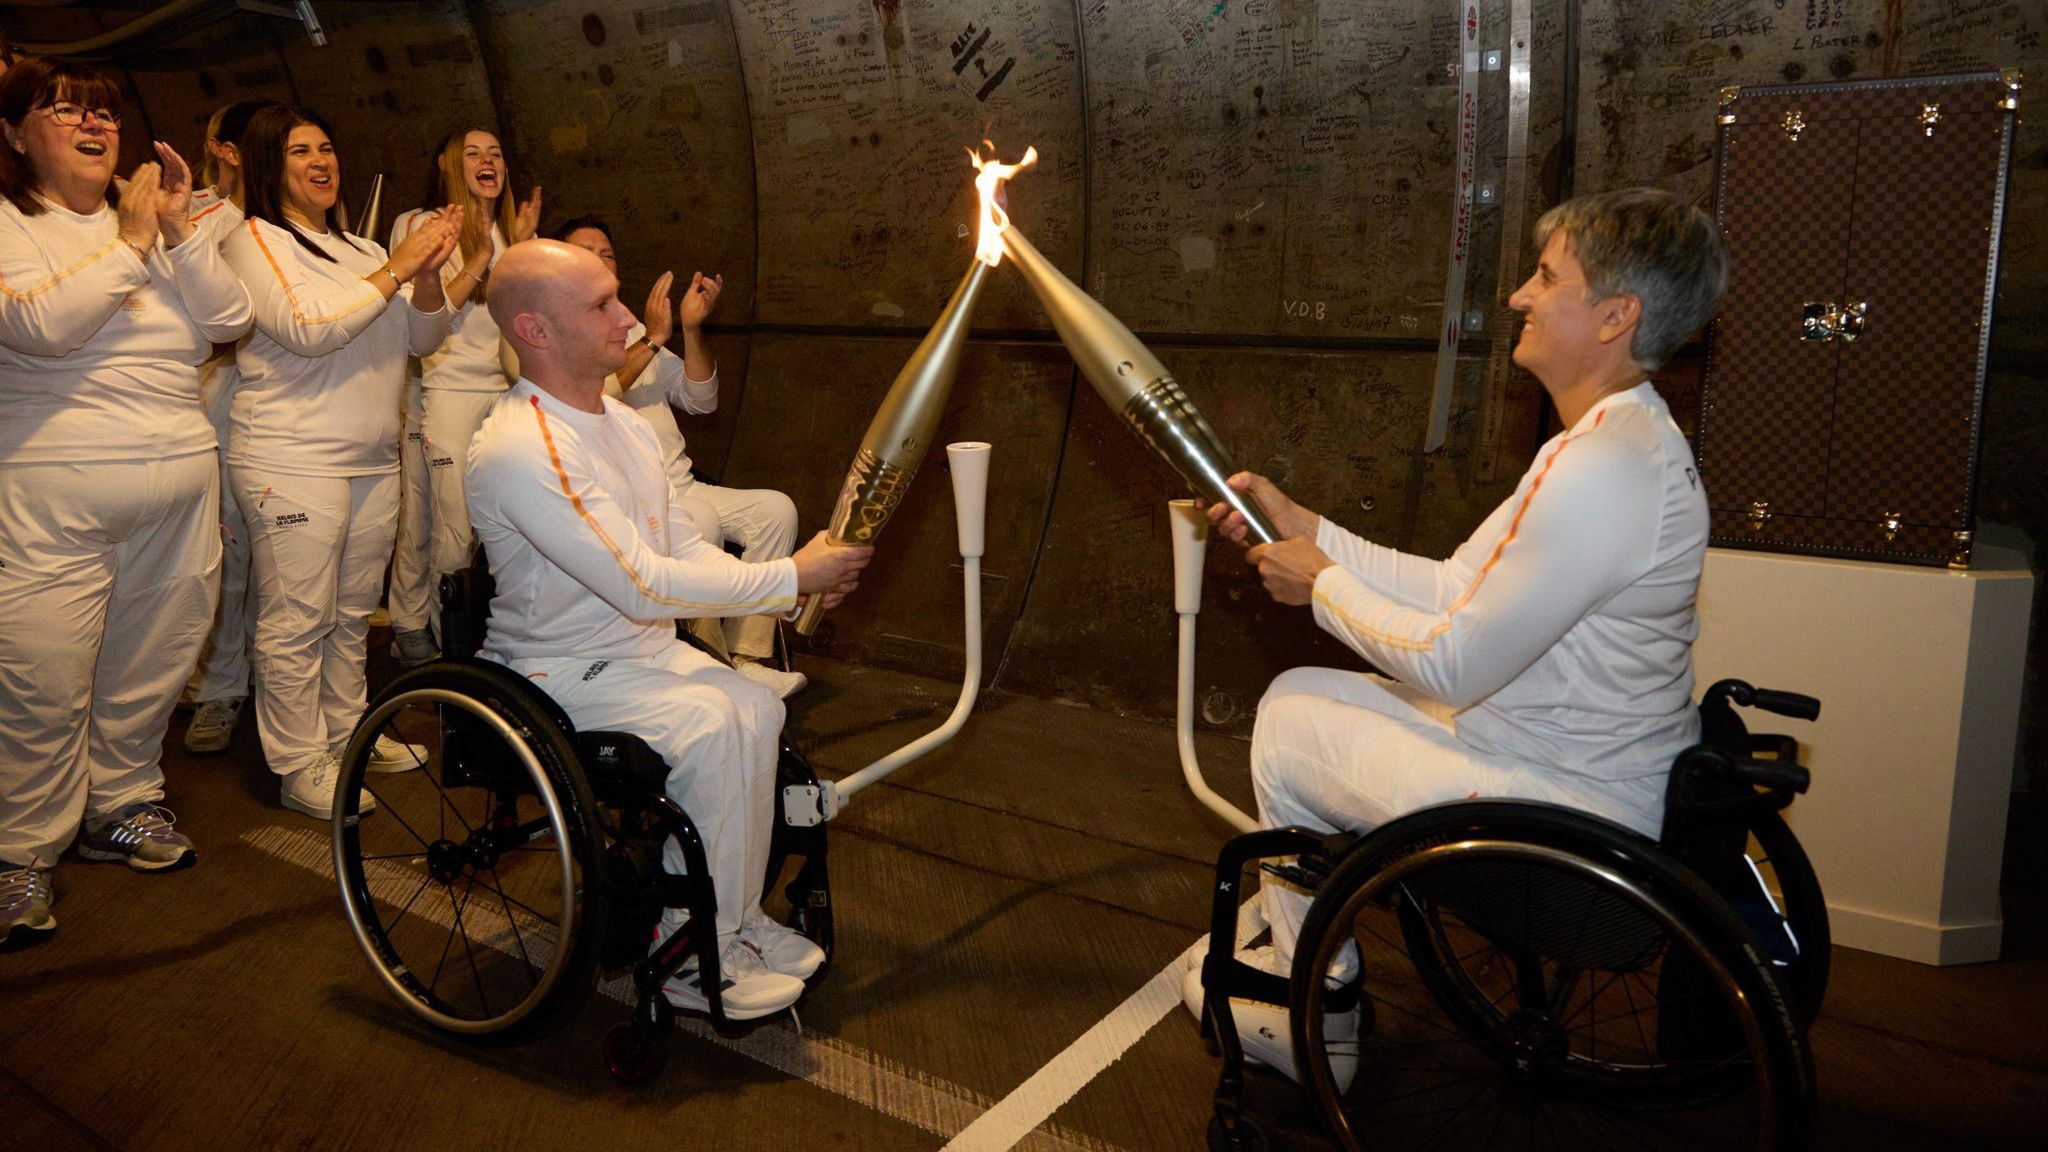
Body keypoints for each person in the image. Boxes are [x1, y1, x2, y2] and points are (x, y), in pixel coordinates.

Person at [1187, 187, 1729, 1086]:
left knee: (1288, 717)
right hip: (1563, 771)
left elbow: (1454, 657)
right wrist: (1310, 527)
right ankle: (1311, 969)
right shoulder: (1603, 443)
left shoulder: (1604, 469)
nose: (1518, 294)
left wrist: (1317, 586)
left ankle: (1321, 1010)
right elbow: (1453, 589)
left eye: (1547, 277)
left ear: (1614, 316)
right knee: (1308, 698)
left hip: (1566, 821)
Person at [468, 239, 871, 1019]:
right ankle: (686, 949)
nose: (627, 317)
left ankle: (738, 921)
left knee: (757, 707)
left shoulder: (622, 422)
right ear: (536, 330)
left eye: (617, 297)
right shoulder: (521, 446)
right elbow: (645, 581)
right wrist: (794, 576)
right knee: (715, 723)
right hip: (553, 672)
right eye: (601, 305)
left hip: (636, 654)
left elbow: (680, 545)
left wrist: (787, 591)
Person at [0, 59, 253, 948]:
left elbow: (229, 320)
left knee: (154, 658)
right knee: (42, 674)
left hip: (179, 479)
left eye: (101, 110)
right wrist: (136, 243)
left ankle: (122, 803)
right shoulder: (12, 223)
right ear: (14, 134)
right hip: (49, 485)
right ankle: (19, 848)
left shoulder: (147, 224)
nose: (89, 123)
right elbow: (37, 324)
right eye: (61, 109)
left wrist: (181, 232)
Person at [219, 105, 460, 820]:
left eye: (327, 148)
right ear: (269, 166)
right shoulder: (254, 239)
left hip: (369, 461)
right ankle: (298, 766)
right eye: (300, 152)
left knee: (351, 614)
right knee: (295, 619)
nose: (322, 162)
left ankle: (345, 735)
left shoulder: (359, 250)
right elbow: (307, 328)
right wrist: (400, 267)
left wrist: (423, 277)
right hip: (290, 457)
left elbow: (424, 338)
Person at [553, 217, 807, 698]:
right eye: (586, 251)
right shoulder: (567, 331)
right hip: (636, 500)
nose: (600, 260)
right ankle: (709, 668)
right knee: (700, 524)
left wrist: (689, 330)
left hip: (684, 485)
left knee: (776, 510)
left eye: (607, 253)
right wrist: (652, 339)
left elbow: (701, 399)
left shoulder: (628, 324)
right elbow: (592, 393)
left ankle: (748, 656)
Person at [383, 128, 540, 666]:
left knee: (483, 522)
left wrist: (519, 246)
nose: (487, 160)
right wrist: (481, 255)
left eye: (496, 152)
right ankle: (431, 636)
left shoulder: (511, 232)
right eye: (473, 153)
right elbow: (424, 314)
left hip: (503, 393)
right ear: (449, 164)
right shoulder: (420, 225)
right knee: (440, 520)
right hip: (441, 386)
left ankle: (461, 626)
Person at [182, 97, 278, 755]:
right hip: (209, 408)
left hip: (276, 414)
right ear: (226, 149)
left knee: (267, 562)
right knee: (221, 561)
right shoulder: (199, 217)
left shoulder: (282, 225)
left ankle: (263, 688)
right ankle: (214, 689)